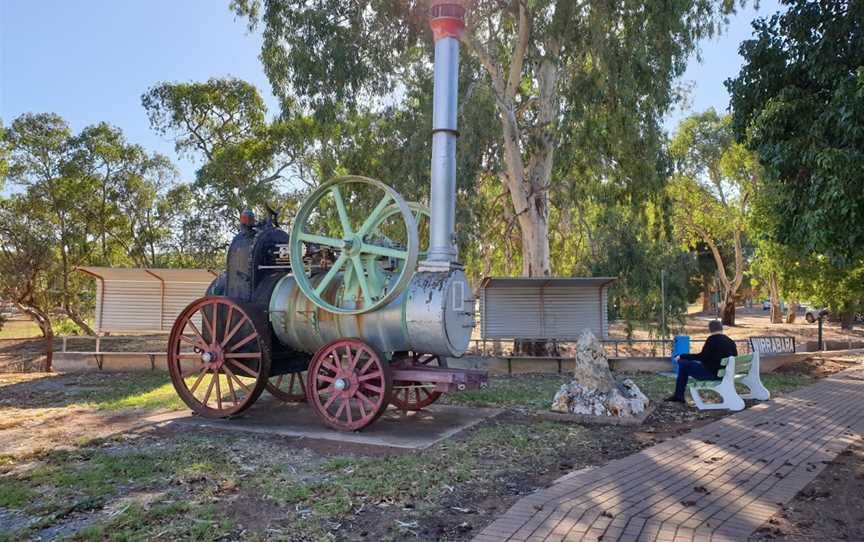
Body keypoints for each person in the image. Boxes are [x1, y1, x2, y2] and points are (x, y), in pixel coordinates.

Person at [665, 320, 737, 403]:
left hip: (712, 374)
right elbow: (733, 357)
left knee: (683, 364)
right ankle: (678, 395)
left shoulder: (712, 339)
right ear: (721, 328)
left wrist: (682, 356)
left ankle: (678, 395)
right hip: (725, 374)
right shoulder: (730, 341)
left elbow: (702, 357)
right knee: (685, 365)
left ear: (710, 329)